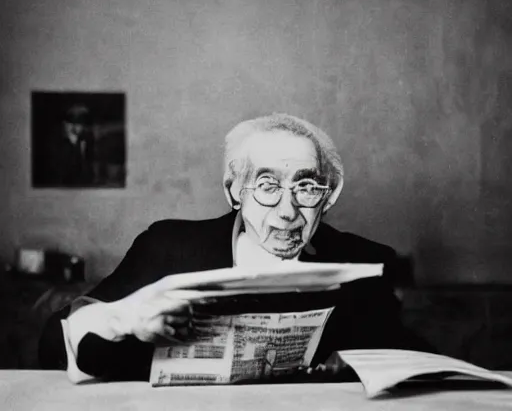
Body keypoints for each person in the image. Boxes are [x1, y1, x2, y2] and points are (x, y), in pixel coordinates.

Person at [39, 113, 431, 383]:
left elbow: (405, 358)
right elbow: (51, 344)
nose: (288, 211)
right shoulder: (169, 248)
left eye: (306, 188)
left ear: (328, 197)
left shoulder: (364, 262)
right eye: (267, 186)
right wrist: (123, 319)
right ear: (234, 191)